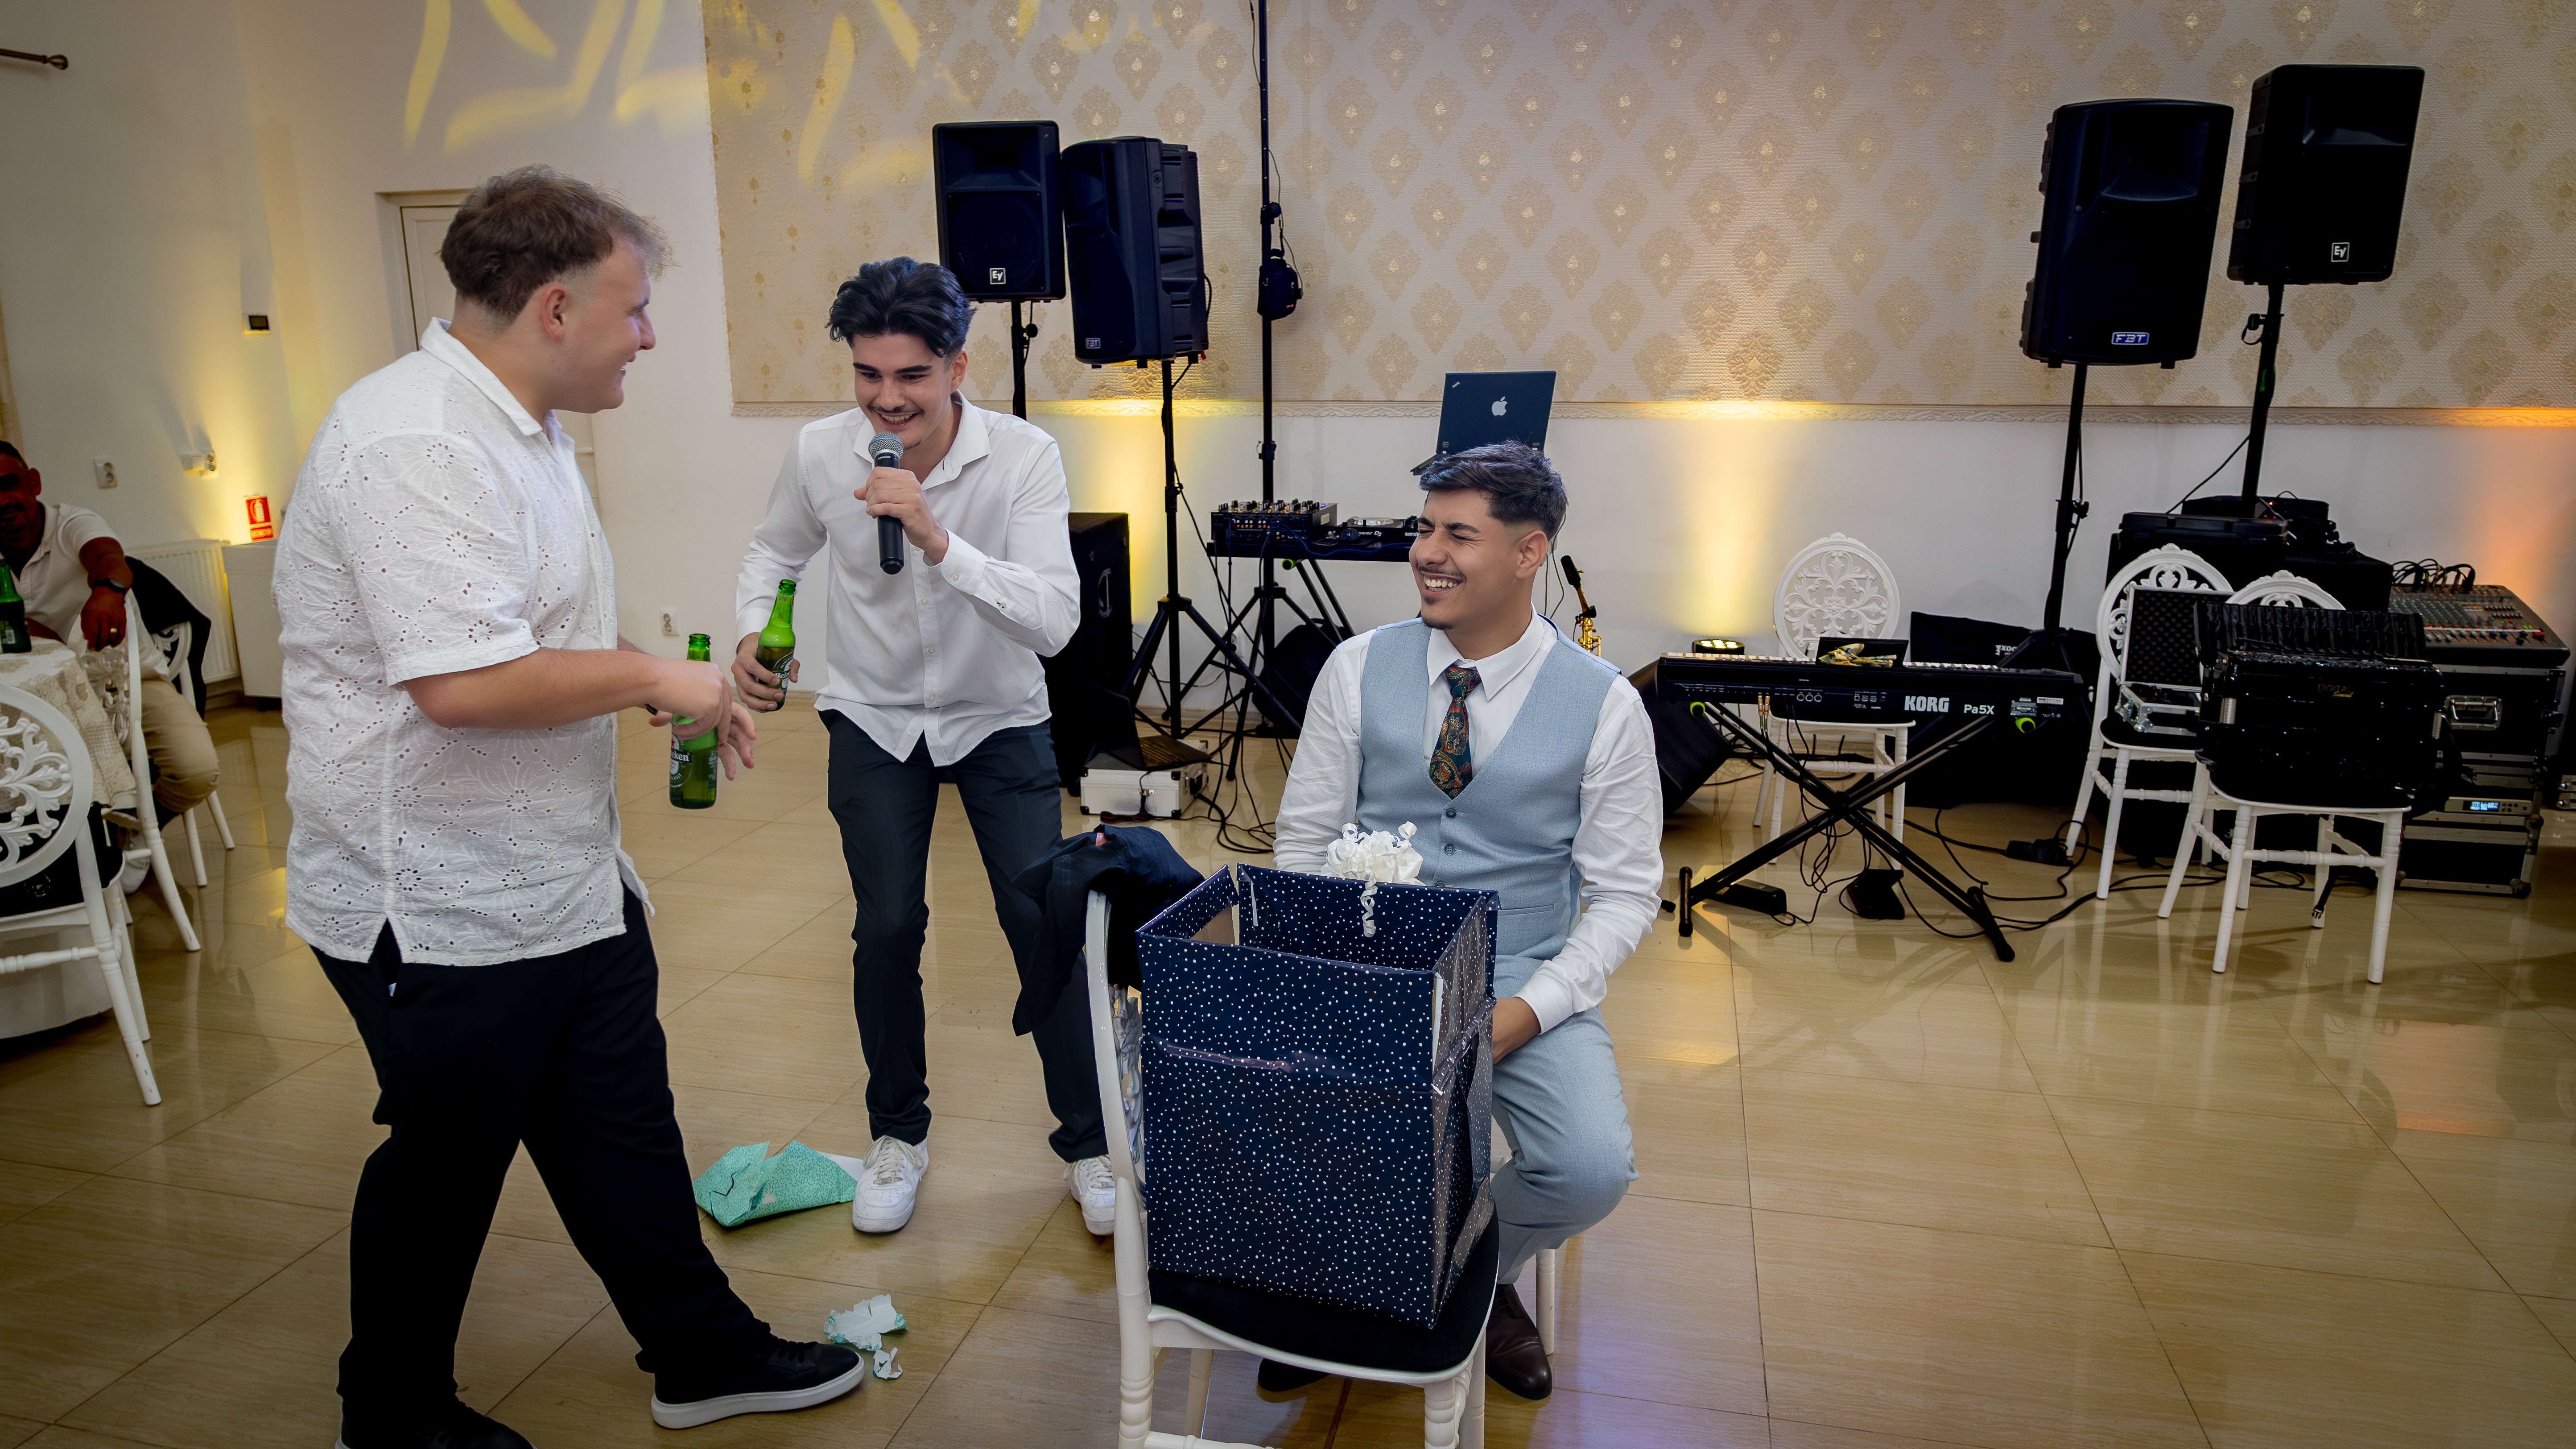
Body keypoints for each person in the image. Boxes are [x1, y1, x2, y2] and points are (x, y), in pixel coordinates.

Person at [277, 166, 860, 1449]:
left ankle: (700, 1353)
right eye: (633, 308)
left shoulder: (521, 427)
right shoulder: (416, 441)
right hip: (440, 901)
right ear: (554, 308)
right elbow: (462, 684)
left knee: (619, 1127)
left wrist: (645, 676)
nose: (646, 336)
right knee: (445, 1165)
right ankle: (393, 1413)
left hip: (560, 878)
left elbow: (528, 633)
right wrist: (656, 677)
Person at [1270, 442, 1659, 1403]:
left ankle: (1467, 1273)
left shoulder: (1606, 705)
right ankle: (1378, 1280)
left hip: (1521, 968)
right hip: (1369, 962)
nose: (1426, 553)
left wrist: (1529, 1010)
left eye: (1457, 533)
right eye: (1423, 528)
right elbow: (1304, 843)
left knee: (1588, 1169)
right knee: (1270, 1120)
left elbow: (1622, 896)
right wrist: (1335, 975)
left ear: (1528, 552)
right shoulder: (1355, 668)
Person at [727, 257, 1106, 1238]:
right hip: (873, 712)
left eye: (911, 376)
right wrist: (754, 630)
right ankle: (897, 1134)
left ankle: (1093, 1143)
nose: (886, 400)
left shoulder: (1022, 456)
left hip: (998, 714)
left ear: (957, 367)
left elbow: (1054, 621)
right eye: (868, 374)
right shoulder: (820, 452)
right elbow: (774, 550)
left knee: (1041, 921)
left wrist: (940, 540)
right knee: (888, 926)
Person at [0, 442, 221, 826]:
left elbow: (107, 557)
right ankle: (72, 848)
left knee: (197, 770)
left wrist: (108, 592)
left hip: (126, 681)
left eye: (9, 484)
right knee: (27, 788)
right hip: (34, 697)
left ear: (33, 482)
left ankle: (133, 832)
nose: (2, 501)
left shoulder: (72, 523)